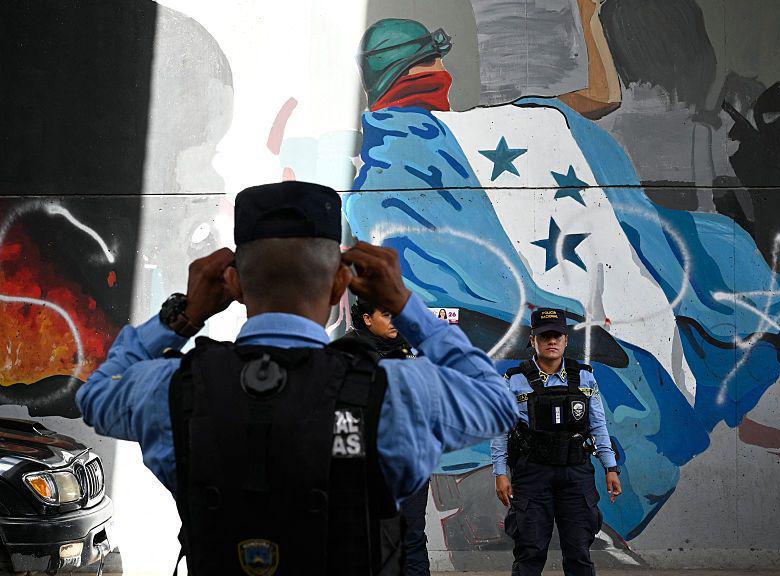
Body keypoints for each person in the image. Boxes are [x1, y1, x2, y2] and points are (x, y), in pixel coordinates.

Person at [77, 181, 518, 576]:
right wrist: (405, 305)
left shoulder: (170, 388)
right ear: (339, 286)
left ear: (234, 285)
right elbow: (498, 404)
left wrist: (184, 315)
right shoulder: (397, 391)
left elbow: (95, 395)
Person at [490, 308, 622, 576]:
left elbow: (598, 425)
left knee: (579, 551)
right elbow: (500, 431)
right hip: (532, 474)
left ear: (565, 340)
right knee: (529, 550)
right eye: (544, 336)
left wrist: (610, 468)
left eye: (557, 336)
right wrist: (500, 473)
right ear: (532, 340)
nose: (551, 341)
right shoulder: (514, 380)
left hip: (575, 472)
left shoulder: (584, 377)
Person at [338, 299, 430, 576]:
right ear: (367, 318)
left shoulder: (413, 351)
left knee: (412, 537)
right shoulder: (346, 354)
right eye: (387, 315)